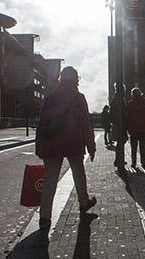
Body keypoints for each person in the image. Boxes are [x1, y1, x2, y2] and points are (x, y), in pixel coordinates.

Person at [35, 66, 97, 230]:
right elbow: (85, 125)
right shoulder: (78, 97)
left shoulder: (51, 97)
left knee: (50, 180)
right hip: (72, 141)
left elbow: (41, 122)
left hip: (51, 142)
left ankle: (44, 217)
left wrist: (39, 146)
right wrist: (91, 146)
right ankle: (84, 203)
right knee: (78, 172)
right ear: (75, 79)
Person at [125, 87, 145, 168]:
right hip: (144, 128)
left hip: (133, 128)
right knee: (143, 146)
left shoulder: (130, 104)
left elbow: (127, 116)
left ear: (132, 94)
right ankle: (143, 162)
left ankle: (134, 163)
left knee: (134, 147)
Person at [110, 83, 127, 172]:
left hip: (118, 122)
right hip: (119, 123)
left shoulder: (116, 98)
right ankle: (118, 160)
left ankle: (119, 160)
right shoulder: (119, 98)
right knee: (121, 140)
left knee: (121, 141)